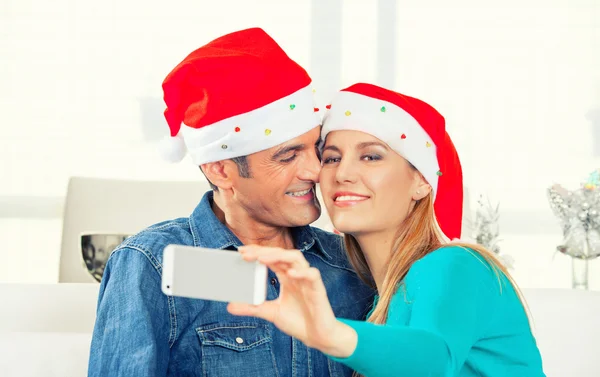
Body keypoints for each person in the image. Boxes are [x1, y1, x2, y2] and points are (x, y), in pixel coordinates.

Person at [88, 29, 374, 377]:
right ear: (221, 171)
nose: (316, 171)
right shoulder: (155, 264)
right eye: (287, 157)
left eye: (315, 148)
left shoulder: (350, 263)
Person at [229, 83, 546, 376]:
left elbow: (434, 359)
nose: (343, 173)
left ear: (422, 181)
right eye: (331, 158)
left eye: (371, 156)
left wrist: (331, 334)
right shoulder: (359, 286)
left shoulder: (456, 265)